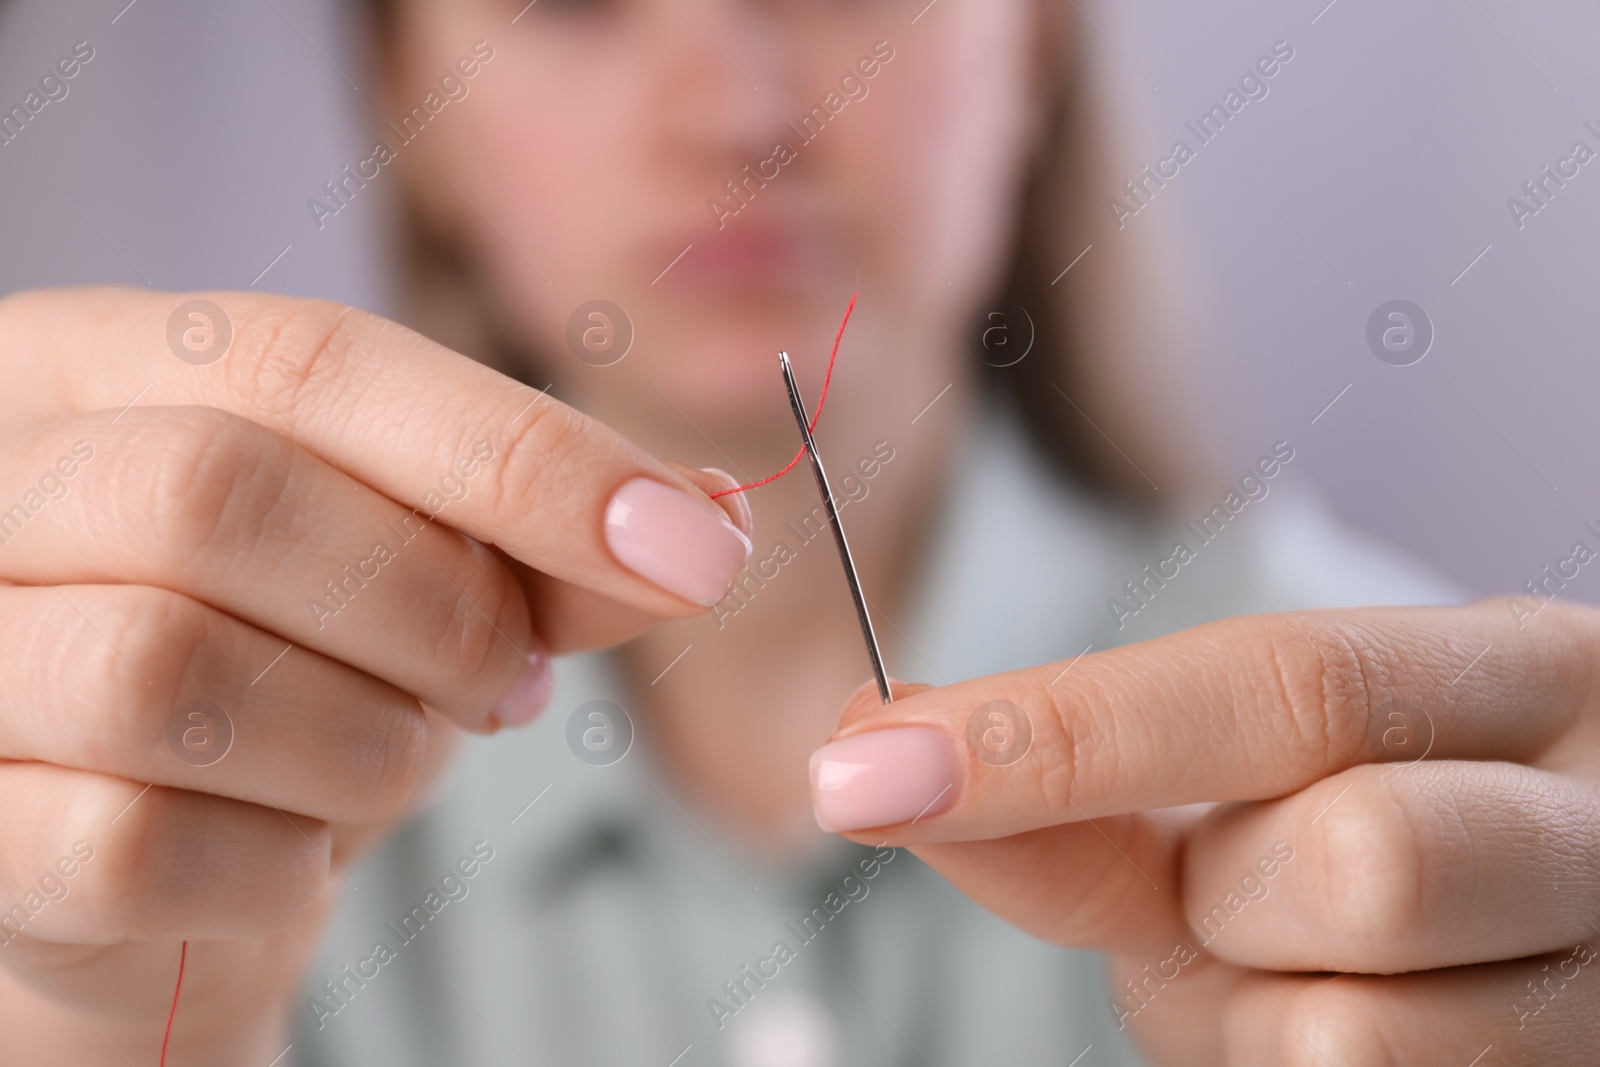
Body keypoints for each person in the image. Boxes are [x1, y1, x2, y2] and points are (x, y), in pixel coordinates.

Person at [1, 0, 1596, 1063]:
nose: (738, 112)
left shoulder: (1426, 791)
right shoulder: (177, 800)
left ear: (1034, 42)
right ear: (412, 91)